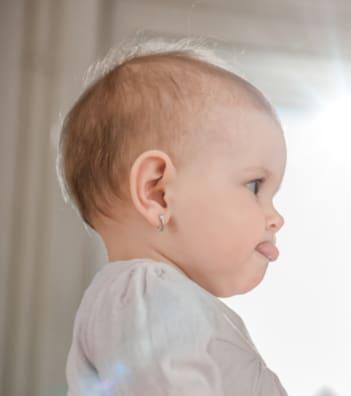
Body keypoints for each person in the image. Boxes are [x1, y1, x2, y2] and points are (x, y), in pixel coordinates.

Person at [60, 39, 287, 395]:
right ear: (158, 192)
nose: (275, 218)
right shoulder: (146, 291)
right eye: (255, 185)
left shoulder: (158, 299)